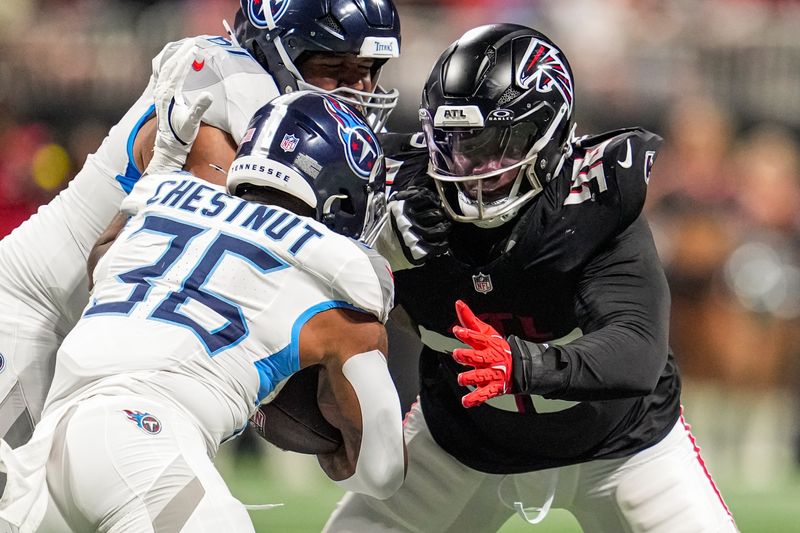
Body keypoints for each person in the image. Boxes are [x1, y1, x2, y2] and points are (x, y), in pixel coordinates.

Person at [324, 24, 739, 532]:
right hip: (463, 446)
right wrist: (364, 251)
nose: (470, 167)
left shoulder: (593, 202)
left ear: (550, 137)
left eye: (496, 143)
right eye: (454, 143)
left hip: (624, 448)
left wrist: (523, 365)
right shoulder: (395, 204)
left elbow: (637, 350)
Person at [0, 44, 405, 532]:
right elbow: (381, 472)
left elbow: (101, 263)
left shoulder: (164, 190)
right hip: (142, 441)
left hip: (49, 445)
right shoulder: (344, 272)